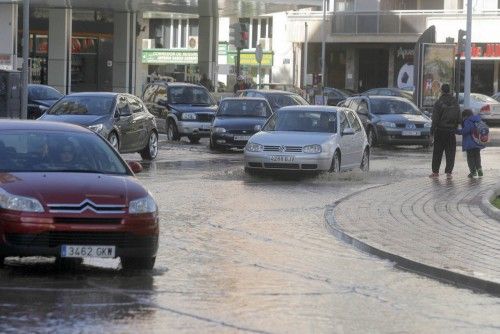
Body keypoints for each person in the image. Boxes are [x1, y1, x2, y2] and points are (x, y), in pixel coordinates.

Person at [429, 83, 460, 179]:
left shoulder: (439, 102)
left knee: (438, 152)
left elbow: (435, 118)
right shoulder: (455, 102)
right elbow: (459, 117)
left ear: (441, 91)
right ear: (449, 91)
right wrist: (455, 127)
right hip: (451, 131)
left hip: (440, 130)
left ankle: (435, 172)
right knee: (450, 152)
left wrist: (432, 131)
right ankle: (449, 173)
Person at [456, 109, 485, 178]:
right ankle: (479, 169)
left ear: (465, 116)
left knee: (470, 158)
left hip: (470, 144)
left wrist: (457, 131)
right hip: (477, 142)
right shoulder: (477, 120)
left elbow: (466, 130)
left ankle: (473, 172)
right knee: (477, 156)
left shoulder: (467, 120)